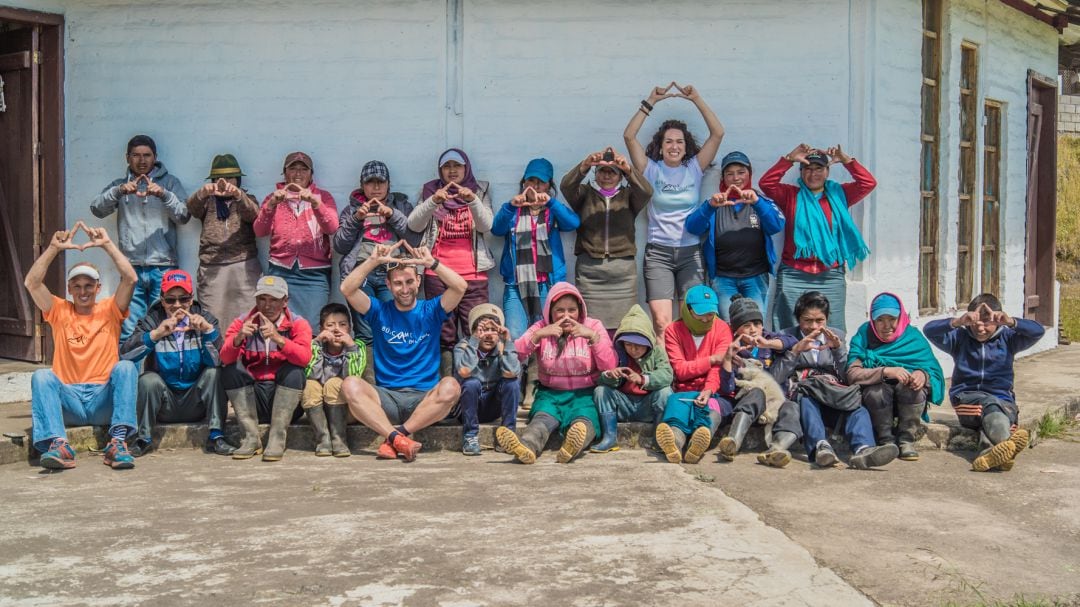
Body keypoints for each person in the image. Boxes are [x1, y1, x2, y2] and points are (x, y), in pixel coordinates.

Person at [25, 222, 138, 470]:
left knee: (126, 367)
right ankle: (59, 445)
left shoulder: (110, 309)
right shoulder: (58, 310)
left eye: (89, 286)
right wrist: (54, 247)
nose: (83, 291)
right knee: (42, 376)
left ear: (98, 288)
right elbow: (32, 283)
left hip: (101, 400)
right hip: (70, 400)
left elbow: (130, 278)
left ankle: (118, 443)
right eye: (77, 286)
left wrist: (107, 244)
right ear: (69, 289)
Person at [339, 241, 465, 462]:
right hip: (386, 397)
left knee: (451, 387)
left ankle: (395, 437)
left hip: (424, 400)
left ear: (418, 280)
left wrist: (432, 263)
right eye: (398, 283)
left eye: (409, 281)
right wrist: (373, 261)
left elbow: (460, 287)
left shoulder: (431, 309)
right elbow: (347, 289)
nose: (404, 289)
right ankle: (398, 437)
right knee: (350, 384)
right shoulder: (378, 310)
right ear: (388, 285)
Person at [624, 82, 725, 335]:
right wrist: (651, 101)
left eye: (679, 142)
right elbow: (629, 136)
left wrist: (697, 99)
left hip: (691, 252)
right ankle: (666, 374)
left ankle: (684, 372)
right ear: (660, 145)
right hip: (659, 253)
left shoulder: (694, 168)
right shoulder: (651, 169)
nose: (674, 146)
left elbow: (718, 133)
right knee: (662, 323)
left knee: (689, 320)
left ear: (685, 145)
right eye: (668, 142)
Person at [771, 291, 897, 470]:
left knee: (857, 409)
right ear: (798, 319)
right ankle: (821, 447)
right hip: (805, 395)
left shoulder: (837, 335)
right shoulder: (786, 337)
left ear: (827, 318)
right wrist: (795, 351)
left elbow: (847, 375)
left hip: (833, 393)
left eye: (819, 320)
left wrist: (837, 349)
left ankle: (864, 450)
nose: (814, 326)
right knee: (807, 399)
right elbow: (775, 377)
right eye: (807, 320)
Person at [759, 144, 877, 332]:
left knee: (833, 329)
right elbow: (766, 184)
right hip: (793, 273)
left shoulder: (840, 194)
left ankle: (833, 362)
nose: (813, 174)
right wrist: (789, 159)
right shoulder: (791, 195)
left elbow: (868, 183)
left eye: (819, 169)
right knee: (786, 328)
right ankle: (788, 362)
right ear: (801, 172)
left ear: (827, 171)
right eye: (808, 169)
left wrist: (847, 161)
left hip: (830, 274)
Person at [496, 283, 617, 464]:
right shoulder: (541, 327)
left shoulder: (593, 326)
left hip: (584, 394)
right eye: (560, 310)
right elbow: (515, 356)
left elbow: (610, 365)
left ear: (580, 311)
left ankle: (572, 446)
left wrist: (592, 337)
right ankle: (526, 447)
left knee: (584, 422)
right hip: (550, 394)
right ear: (550, 311)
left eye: (572, 310)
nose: (566, 316)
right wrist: (537, 337)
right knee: (541, 421)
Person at [924, 293, 1044, 472]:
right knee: (993, 409)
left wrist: (1011, 321)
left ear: (998, 320)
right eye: (975, 322)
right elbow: (929, 330)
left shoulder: (1009, 339)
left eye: (986, 322)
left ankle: (988, 454)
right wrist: (957, 322)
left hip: (1003, 401)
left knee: (998, 414)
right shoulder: (958, 338)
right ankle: (1006, 444)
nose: (980, 328)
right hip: (967, 399)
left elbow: (1038, 331)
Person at [121, 269, 232, 457]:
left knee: (215, 373)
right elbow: (126, 355)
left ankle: (216, 435)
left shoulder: (205, 318)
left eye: (183, 299)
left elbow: (219, 361)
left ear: (191, 299)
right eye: (170, 300)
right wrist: (156, 334)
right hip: (165, 403)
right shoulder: (152, 320)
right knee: (148, 380)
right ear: (162, 300)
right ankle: (144, 438)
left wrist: (207, 332)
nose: (177, 305)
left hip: (196, 401)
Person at [90, 134, 189, 341]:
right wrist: (118, 191)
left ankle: (156, 374)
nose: (142, 160)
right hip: (130, 269)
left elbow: (183, 216)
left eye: (147, 155)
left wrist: (163, 194)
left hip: (163, 267)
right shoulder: (120, 185)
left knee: (164, 327)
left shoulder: (170, 183)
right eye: (136, 155)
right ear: (127, 158)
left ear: (155, 157)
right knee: (130, 329)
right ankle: (131, 373)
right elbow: (97, 209)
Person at [333, 160, 418, 382]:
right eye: (370, 183)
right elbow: (340, 246)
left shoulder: (401, 206)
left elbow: (414, 237)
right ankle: (369, 381)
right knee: (366, 331)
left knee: (395, 327)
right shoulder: (352, 209)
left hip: (394, 274)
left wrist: (392, 214)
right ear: (362, 185)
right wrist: (356, 219)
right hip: (362, 273)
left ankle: (396, 379)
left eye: (381, 182)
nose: (376, 188)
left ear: (389, 184)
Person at [407, 148, 494, 365]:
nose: (452, 171)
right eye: (447, 166)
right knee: (442, 334)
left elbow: (487, 226)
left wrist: (472, 200)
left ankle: (476, 383)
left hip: (473, 275)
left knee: (478, 330)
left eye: (457, 166)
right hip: (438, 273)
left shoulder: (479, 191)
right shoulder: (430, 191)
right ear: (440, 170)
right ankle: (447, 382)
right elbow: (414, 224)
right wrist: (433, 201)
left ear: (466, 168)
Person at [219, 275, 313, 461]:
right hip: (254, 398)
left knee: (295, 371)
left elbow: (304, 359)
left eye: (274, 300)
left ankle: (277, 439)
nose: (267, 305)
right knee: (230, 370)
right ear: (256, 300)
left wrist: (279, 339)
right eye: (262, 299)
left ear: (285, 301)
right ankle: (250, 438)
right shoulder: (243, 322)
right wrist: (238, 339)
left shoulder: (298, 323)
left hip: (286, 400)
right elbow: (224, 357)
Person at [685, 151, 784, 323]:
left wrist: (757, 203)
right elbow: (693, 227)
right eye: (729, 174)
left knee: (755, 326)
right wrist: (710, 206)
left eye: (741, 172)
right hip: (723, 279)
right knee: (729, 325)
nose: (735, 178)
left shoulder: (761, 201)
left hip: (755, 277)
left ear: (749, 174)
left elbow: (776, 225)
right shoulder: (715, 202)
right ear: (723, 178)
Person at [560, 148, 652, 333]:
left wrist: (628, 170)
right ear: (596, 173)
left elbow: (646, 191)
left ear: (620, 176)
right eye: (602, 171)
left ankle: (620, 360)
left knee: (625, 325)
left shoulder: (628, 196)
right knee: (589, 324)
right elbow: (566, 186)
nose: (607, 176)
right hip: (590, 272)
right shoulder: (585, 194)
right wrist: (584, 166)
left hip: (623, 273)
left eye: (612, 172)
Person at [847, 292, 945, 461]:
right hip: (876, 398)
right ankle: (886, 440)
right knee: (876, 392)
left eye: (892, 319)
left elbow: (933, 370)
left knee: (914, 390)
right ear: (872, 320)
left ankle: (906, 440)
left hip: (905, 397)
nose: (887, 326)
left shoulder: (913, 337)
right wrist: (884, 371)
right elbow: (852, 374)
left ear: (901, 318)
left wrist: (923, 375)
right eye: (880, 320)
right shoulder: (864, 334)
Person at [491, 158, 580, 339]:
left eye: (541, 182)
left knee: (548, 335)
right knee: (516, 335)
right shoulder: (513, 209)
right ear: (524, 182)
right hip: (516, 284)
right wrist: (510, 206)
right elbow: (496, 229)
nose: (536, 186)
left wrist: (551, 203)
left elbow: (573, 223)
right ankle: (521, 368)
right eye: (531, 180)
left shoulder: (552, 211)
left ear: (549, 185)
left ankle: (538, 368)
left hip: (547, 284)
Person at [254, 151, 339, 326]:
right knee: (281, 325)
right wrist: (271, 206)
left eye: (303, 169)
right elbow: (259, 231)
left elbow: (331, 228)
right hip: (280, 271)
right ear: (285, 173)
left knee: (312, 326)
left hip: (315, 275)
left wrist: (315, 203)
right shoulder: (274, 198)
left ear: (311, 174)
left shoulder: (323, 197)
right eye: (292, 169)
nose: (298, 174)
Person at [655, 285, 732, 464]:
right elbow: (680, 371)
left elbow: (718, 368)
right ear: (688, 310)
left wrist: (708, 390)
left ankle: (698, 444)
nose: (706, 319)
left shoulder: (722, 328)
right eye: (701, 313)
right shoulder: (673, 330)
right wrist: (711, 359)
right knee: (677, 412)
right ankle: (675, 443)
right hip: (684, 390)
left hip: (713, 390)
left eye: (710, 314)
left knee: (709, 412)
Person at [715, 295, 798, 461]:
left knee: (792, 407)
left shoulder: (768, 338)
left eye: (757, 324)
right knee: (757, 392)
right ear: (735, 329)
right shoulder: (731, 347)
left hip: (774, 406)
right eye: (746, 325)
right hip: (747, 407)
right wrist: (728, 359)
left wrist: (767, 344)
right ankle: (733, 442)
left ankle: (776, 450)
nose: (753, 329)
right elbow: (728, 388)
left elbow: (792, 340)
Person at [185, 154, 262, 328]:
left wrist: (237, 195)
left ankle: (243, 355)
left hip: (244, 265)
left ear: (238, 180)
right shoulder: (207, 202)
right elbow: (190, 209)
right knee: (213, 317)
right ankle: (218, 355)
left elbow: (254, 215)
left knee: (247, 317)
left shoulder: (247, 199)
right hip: (212, 267)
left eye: (230, 178)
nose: (226, 182)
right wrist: (203, 192)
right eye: (221, 178)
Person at [591, 304, 673, 453]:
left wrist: (643, 379)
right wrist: (610, 375)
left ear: (649, 343)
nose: (633, 349)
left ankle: (659, 438)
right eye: (628, 344)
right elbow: (600, 379)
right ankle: (609, 437)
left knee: (665, 392)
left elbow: (667, 374)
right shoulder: (617, 353)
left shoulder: (657, 352)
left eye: (639, 346)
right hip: (623, 404)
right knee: (600, 391)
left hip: (647, 405)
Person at [452, 303, 522, 455]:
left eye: (493, 330)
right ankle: (470, 436)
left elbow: (511, 372)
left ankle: (508, 434)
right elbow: (464, 371)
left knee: (512, 383)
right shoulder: (464, 347)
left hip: (492, 406)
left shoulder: (504, 346)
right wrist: (474, 342)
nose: (489, 335)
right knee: (471, 383)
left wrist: (507, 341)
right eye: (483, 330)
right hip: (468, 407)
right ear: (473, 331)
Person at [303, 303, 366, 458]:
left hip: (347, 410)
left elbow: (354, 375)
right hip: (318, 409)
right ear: (322, 329)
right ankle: (323, 439)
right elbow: (310, 373)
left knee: (334, 383)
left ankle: (339, 439)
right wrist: (316, 343)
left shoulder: (358, 346)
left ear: (350, 328)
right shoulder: (315, 345)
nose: (336, 329)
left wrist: (350, 347)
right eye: (330, 325)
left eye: (342, 325)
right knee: (309, 385)